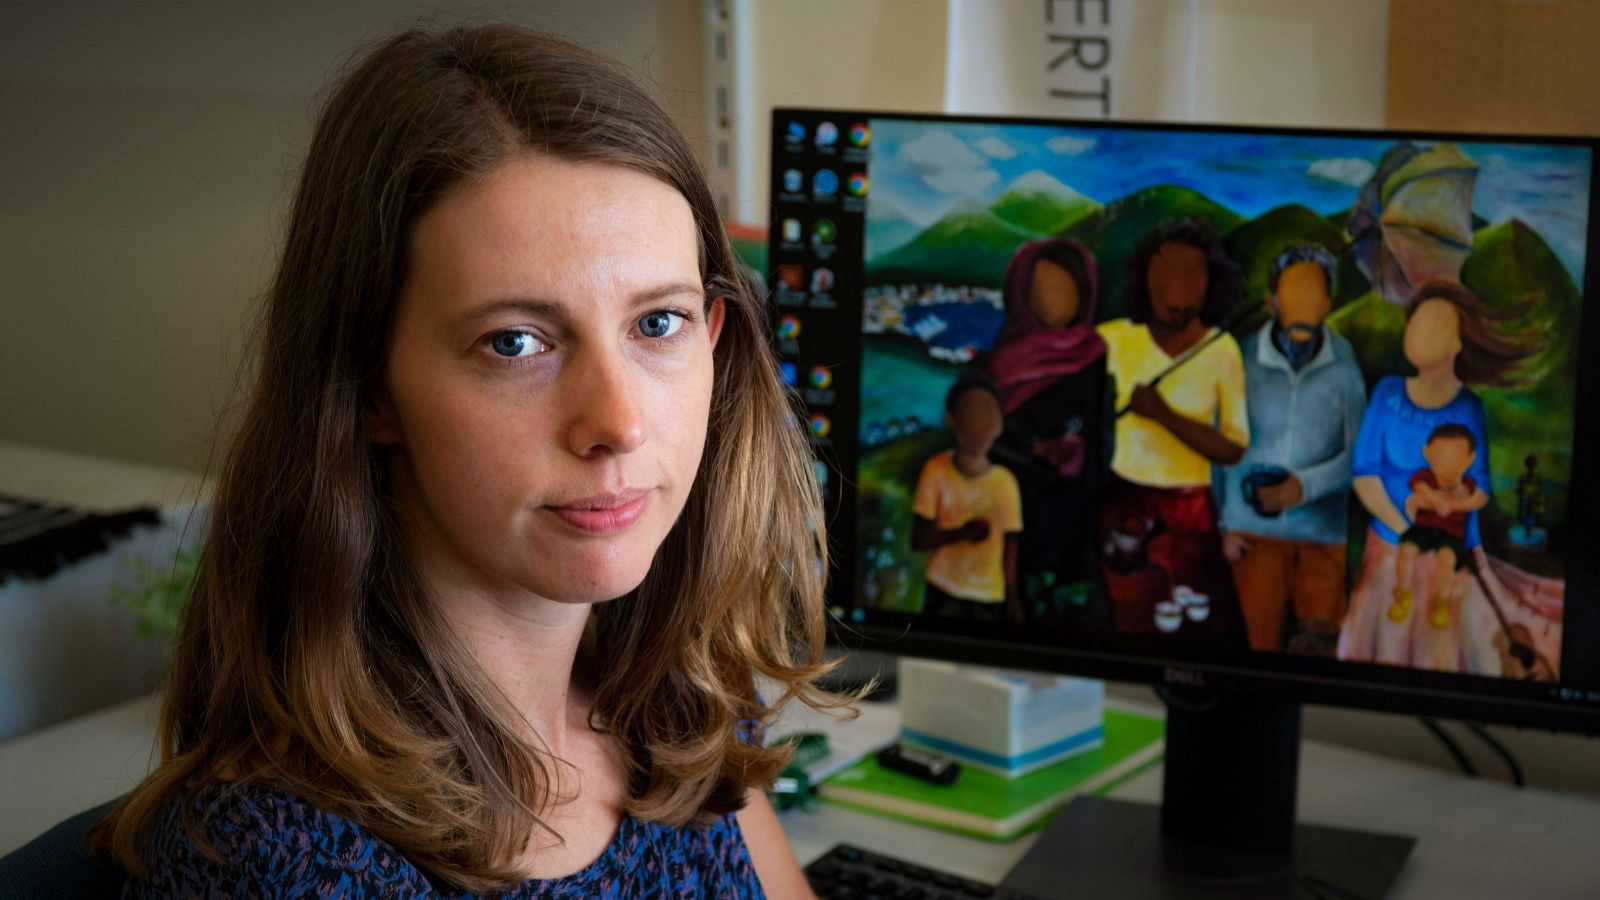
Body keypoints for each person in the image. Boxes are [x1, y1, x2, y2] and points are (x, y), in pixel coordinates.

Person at [90, 24, 838, 897]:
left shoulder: (672, 712)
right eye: (516, 342)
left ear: (713, 342)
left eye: (656, 324)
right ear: (369, 386)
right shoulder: (274, 860)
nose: (619, 423)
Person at [1339, 278, 1539, 671]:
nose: (1419, 332)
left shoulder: (1470, 406)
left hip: (1453, 552)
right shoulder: (1387, 392)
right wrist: (1406, 530)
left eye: (1436, 324)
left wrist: (1453, 508)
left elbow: (1479, 485)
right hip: (1390, 548)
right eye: (1416, 321)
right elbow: (1365, 474)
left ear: (1458, 342)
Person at [1096, 220, 1249, 644]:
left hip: (1191, 512)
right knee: (1130, 618)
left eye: (1189, 276)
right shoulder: (1115, 340)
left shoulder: (1221, 350)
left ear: (1209, 285)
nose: (1174, 290)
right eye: (1162, 277)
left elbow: (1233, 448)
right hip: (1123, 503)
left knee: (1200, 627)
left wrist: (1163, 414)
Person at [1215, 245, 1367, 654]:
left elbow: (1361, 456)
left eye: (1311, 292)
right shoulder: (1240, 359)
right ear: (1272, 300)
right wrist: (1223, 526)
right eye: (1291, 292)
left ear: (1327, 303)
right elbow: (1217, 449)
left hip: (1322, 539)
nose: (1301, 304)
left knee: (1320, 656)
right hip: (1251, 536)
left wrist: (1306, 486)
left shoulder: (1344, 364)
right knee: (1253, 651)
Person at [986, 238, 1110, 621]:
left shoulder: (1095, 355)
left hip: (1077, 513)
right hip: (1021, 509)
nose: (1056, 301)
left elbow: (1101, 433)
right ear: (1022, 295)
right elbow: (989, 437)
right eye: (1043, 290)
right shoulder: (1004, 362)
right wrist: (1034, 451)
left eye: (1066, 290)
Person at [911, 375, 1025, 625]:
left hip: (989, 596)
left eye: (987, 416)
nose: (979, 425)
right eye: (971, 413)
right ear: (951, 420)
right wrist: (962, 534)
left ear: (999, 425)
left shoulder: (1005, 482)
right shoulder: (936, 470)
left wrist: (1013, 597)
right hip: (943, 588)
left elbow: (1011, 544)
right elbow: (919, 538)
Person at [1390, 424, 1489, 629]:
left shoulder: (1469, 484)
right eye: (1441, 458)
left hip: (1451, 535)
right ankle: (1402, 595)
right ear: (1427, 453)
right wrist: (1436, 500)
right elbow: (1420, 493)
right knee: (1406, 549)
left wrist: (1449, 504)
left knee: (1447, 558)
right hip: (1423, 529)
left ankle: (1440, 602)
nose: (1447, 467)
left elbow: (1479, 499)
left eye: (1455, 460)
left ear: (1470, 459)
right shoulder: (1423, 477)